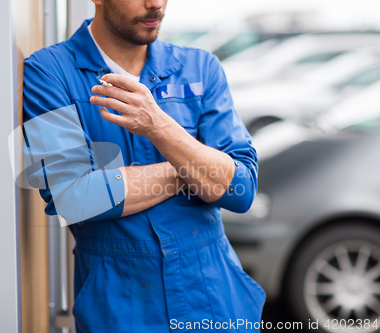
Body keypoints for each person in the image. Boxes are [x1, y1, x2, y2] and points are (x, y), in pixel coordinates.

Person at [22, 0, 266, 332]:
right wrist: (191, 170)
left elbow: (240, 189)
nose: (155, 4)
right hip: (120, 305)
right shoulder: (50, 72)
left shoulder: (200, 68)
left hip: (215, 299)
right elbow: (73, 196)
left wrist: (158, 126)